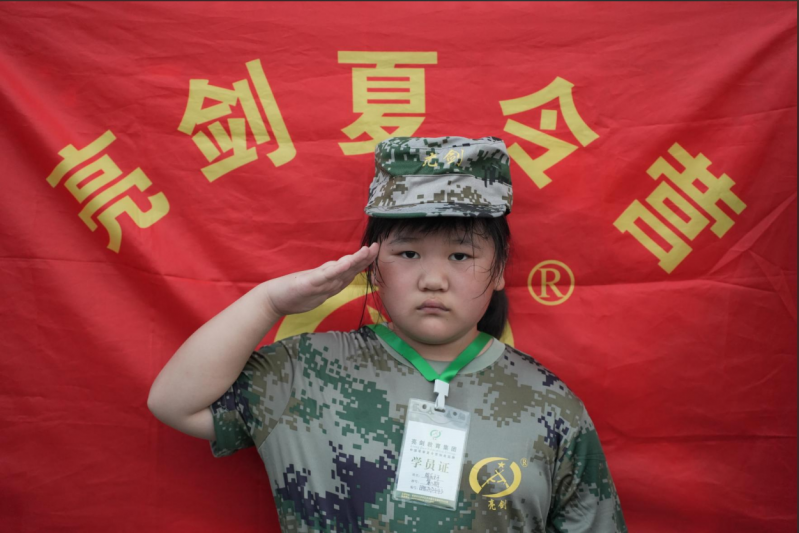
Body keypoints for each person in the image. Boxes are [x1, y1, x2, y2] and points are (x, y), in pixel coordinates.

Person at [147, 136, 627, 533]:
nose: (433, 280)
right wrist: (268, 302)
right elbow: (174, 403)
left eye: (461, 256)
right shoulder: (305, 372)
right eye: (408, 254)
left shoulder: (549, 405)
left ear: (499, 270)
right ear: (373, 265)